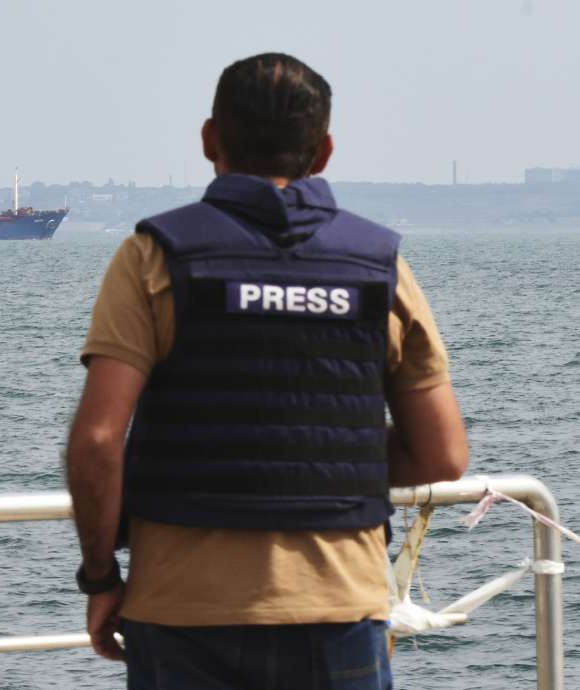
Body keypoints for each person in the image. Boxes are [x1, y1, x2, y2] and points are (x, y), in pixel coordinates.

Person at [64, 53, 469, 690]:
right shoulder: (380, 268)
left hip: (180, 615)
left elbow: (96, 442)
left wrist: (99, 578)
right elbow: (444, 455)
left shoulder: (153, 258)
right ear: (325, 150)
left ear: (208, 139)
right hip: (340, 609)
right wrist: (322, 458)